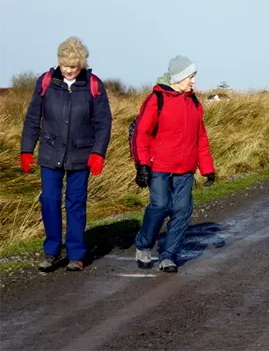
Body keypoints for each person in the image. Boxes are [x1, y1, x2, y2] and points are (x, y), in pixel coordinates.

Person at [20, 37, 112, 272]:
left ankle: (76, 253)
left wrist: (98, 153)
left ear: (82, 64)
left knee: (76, 204)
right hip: (50, 153)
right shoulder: (46, 82)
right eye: (65, 65)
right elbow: (33, 118)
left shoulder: (94, 84)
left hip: (81, 156)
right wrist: (26, 149)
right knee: (49, 200)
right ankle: (51, 251)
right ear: (59, 62)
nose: (69, 70)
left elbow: (103, 122)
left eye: (74, 66)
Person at [132, 55, 215, 273]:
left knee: (182, 210)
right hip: (159, 166)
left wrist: (207, 168)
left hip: (185, 168)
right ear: (179, 77)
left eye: (194, 76)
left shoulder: (194, 103)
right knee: (160, 206)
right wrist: (142, 165)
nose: (194, 81)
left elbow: (201, 138)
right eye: (191, 76)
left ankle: (168, 255)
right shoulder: (156, 99)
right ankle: (143, 244)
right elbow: (141, 134)